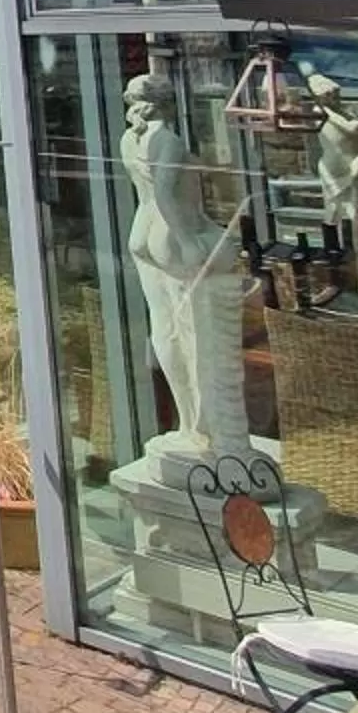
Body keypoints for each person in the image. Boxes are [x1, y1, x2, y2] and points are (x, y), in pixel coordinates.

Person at [120, 71, 250, 459]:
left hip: (141, 230)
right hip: (170, 232)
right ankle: (202, 424)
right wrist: (190, 239)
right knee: (193, 330)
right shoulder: (169, 140)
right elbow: (164, 192)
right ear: (167, 101)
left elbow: (148, 191)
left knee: (165, 327)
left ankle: (186, 419)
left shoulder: (130, 138)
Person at [307, 70, 358, 293]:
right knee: (333, 225)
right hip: (331, 175)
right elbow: (312, 147)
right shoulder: (315, 115)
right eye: (325, 97)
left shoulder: (352, 113)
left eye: (332, 94)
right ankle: (337, 277)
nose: (331, 99)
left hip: (354, 174)